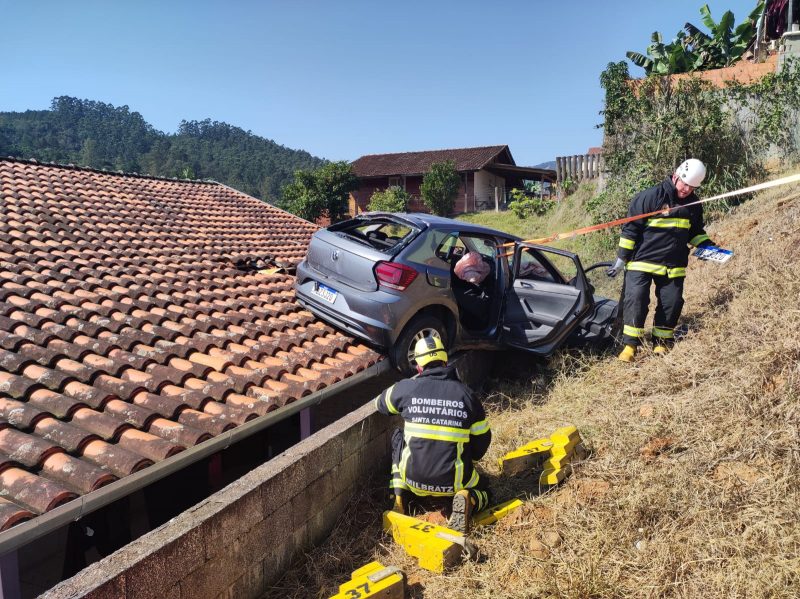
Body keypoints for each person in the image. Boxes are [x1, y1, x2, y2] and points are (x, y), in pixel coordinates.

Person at [374, 336, 491, 534]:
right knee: (486, 491)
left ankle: (399, 496)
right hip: (453, 483)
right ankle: (468, 498)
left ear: (418, 367)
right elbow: (482, 444)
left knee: (398, 436)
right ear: (446, 362)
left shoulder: (406, 389)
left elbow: (379, 404)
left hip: (413, 481)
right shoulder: (467, 396)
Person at [607, 158, 715, 362]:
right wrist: (621, 258)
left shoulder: (693, 205)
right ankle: (630, 345)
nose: (686, 190)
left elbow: (695, 232)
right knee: (636, 300)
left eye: (692, 187)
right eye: (684, 184)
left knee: (671, 303)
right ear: (676, 176)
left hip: (672, 266)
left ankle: (661, 342)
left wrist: (707, 246)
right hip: (642, 261)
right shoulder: (650, 197)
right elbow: (630, 229)